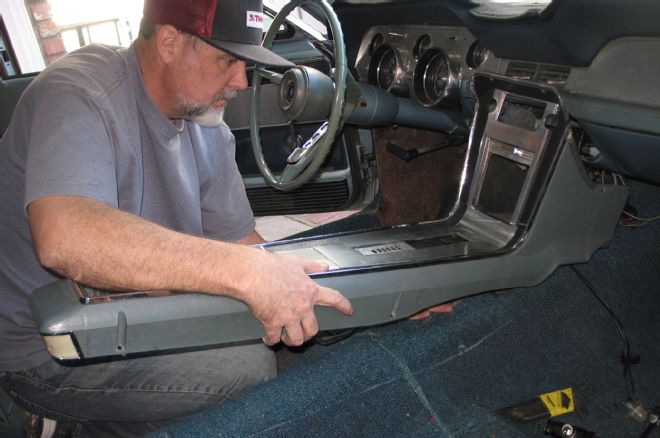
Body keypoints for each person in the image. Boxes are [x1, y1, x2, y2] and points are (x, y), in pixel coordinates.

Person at [0, 0, 353, 436]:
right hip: (45, 348)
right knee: (248, 368)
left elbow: (246, 247)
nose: (241, 82)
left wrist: (368, 299)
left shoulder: (208, 127)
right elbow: (64, 238)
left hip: (136, 313)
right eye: (227, 60)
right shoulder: (79, 92)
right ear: (169, 42)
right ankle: (75, 424)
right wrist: (244, 272)